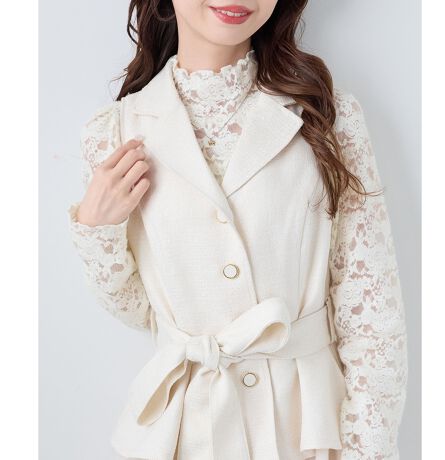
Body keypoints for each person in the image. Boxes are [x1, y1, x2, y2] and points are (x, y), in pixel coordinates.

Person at [67, 1, 408, 459]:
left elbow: (373, 318)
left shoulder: (327, 116)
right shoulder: (114, 131)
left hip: (305, 432)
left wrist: (367, 451)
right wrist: (96, 230)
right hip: (186, 432)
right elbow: (141, 312)